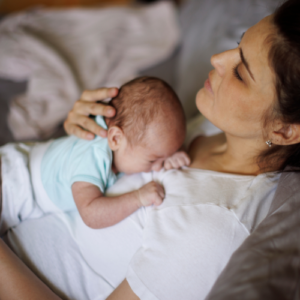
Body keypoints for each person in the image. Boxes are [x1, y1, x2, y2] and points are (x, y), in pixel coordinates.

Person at [1, 0, 300, 299]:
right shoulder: (220, 128)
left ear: (284, 130)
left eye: (240, 73)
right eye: (237, 44)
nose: (218, 59)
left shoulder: (210, 231)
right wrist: (87, 133)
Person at [27, 76, 189, 229]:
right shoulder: (92, 157)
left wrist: (169, 155)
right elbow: (91, 214)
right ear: (116, 139)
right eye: (153, 160)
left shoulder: (127, 139)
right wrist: (138, 198)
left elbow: (156, 144)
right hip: (19, 182)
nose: (158, 167)